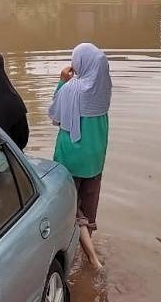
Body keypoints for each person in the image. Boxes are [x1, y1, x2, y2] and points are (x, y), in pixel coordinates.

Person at [47, 43, 112, 235]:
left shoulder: (71, 89)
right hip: (95, 160)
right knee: (89, 206)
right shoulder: (105, 89)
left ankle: (72, 246)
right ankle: (88, 243)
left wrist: (62, 82)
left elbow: (55, 116)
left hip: (71, 158)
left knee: (68, 208)